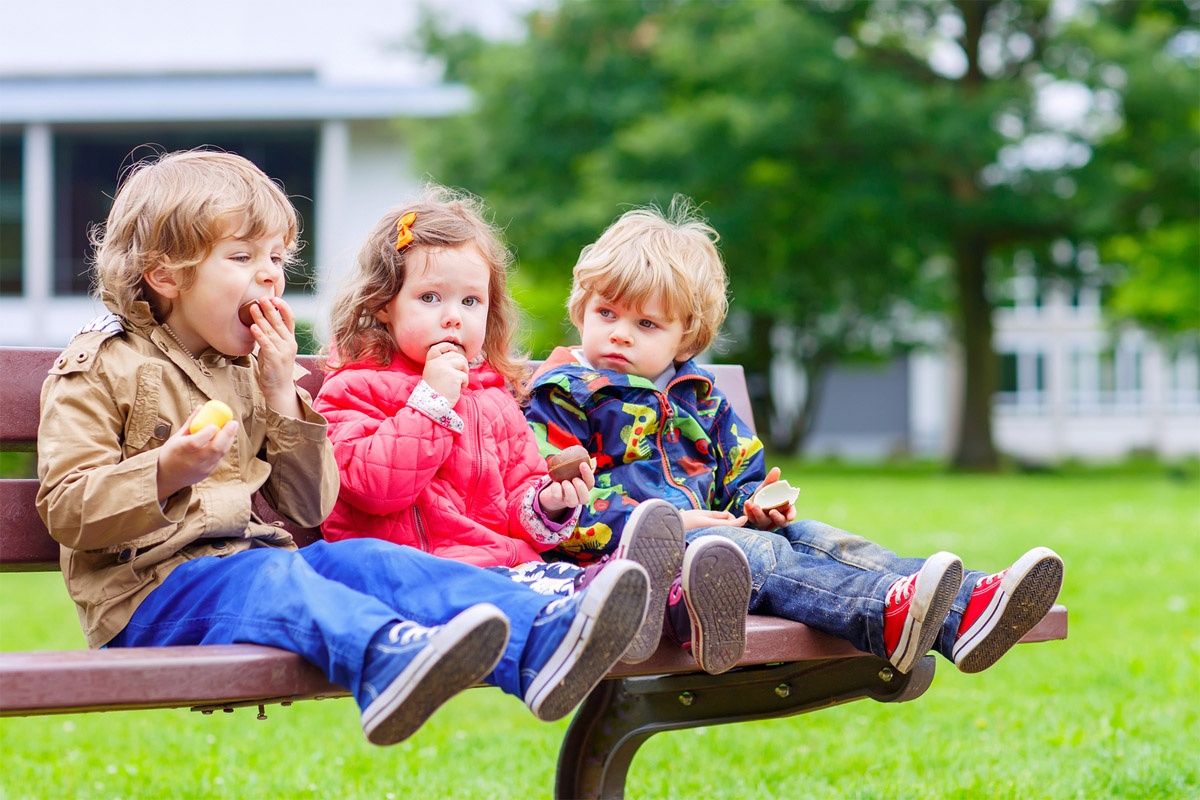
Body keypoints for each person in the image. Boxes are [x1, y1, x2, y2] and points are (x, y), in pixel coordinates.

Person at [34, 151, 649, 751]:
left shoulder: (246, 370)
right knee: (270, 574)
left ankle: (541, 641)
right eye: (243, 256)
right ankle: (387, 659)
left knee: (369, 560)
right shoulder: (99, 367)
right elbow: (66, 508)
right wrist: (165, 472)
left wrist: (280, 391)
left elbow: (309, 506)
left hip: (251, 567)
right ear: (165, 274)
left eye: (276, 257)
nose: (271, 275)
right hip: (150, 597)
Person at [524, 199, 1065, 676]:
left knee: (814, 536)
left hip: (718, 548)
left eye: (646, 325)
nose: (618, 332)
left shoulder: (700, 395)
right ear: (581, 308)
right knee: (754, 552)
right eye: (607, 313)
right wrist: (673, 524)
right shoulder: (568, 395)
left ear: (685, 336)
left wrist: (757, 504)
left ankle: (967, 605)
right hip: (637, 565)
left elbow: (739, 480)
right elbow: (558, 510)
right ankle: (887, 616)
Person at [314, 188, 710, 668]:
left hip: (501, 569)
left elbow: (519, 497)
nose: (453, 316)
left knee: (572, 582)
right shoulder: (353, 390)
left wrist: (547, 502)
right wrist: (432, 401)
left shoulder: (495, 398)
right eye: (430, 297)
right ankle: (615, 616)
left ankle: (654, 607)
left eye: (471, 301)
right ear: (383, 304)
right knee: (551, 599)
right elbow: (375, 487)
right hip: (412, 578)